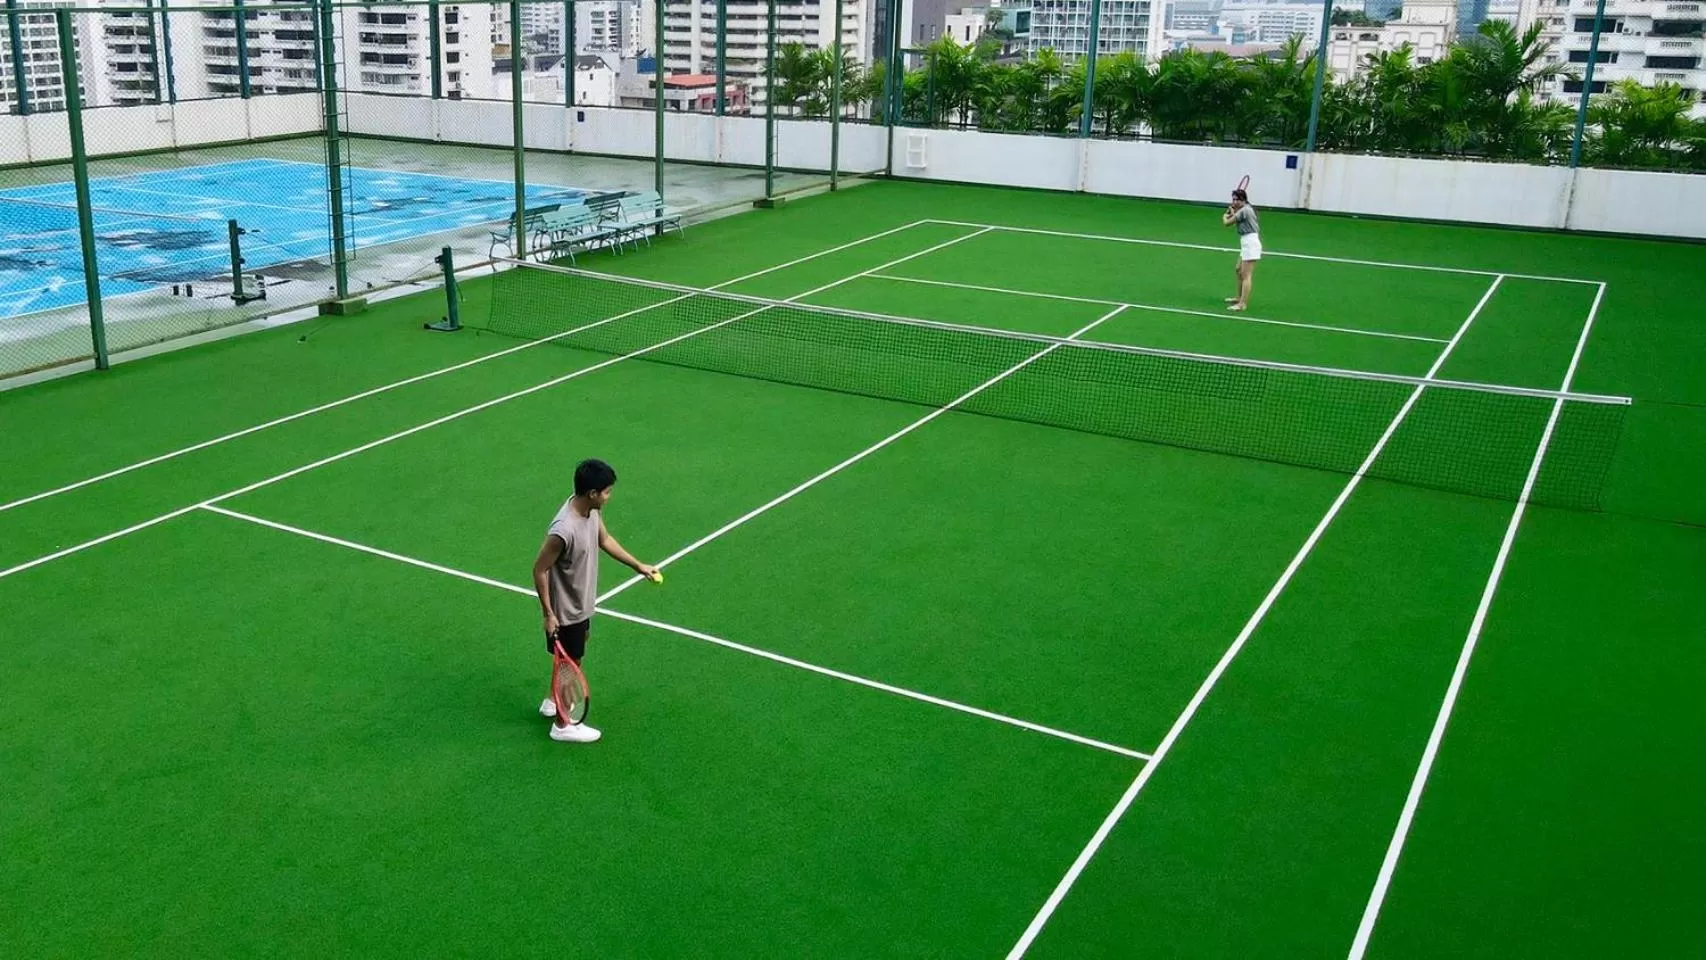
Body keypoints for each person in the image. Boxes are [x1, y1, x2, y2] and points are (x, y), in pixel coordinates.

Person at [530, 458, 658, 743]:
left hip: (582, 602)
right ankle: (563, 726)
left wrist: (638, 566)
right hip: (566, 611)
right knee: (570, 663)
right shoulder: (563, 530)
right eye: (607, 492)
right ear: (592, 493)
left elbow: (605, 539)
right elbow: (539, 569)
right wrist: (548, 614)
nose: (609, 497)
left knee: (572, 655)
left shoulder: (590, 511)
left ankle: (553, 701)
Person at [1222, 188, 1261, 312]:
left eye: (1236, 199)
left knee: (1246, 275)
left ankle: (1242, 304)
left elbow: (1227, 223)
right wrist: (1233, 212)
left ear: (1242, 200)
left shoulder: (1245, 210)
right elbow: (1238, 219)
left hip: (1251, 243)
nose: (1234, 202)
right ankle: (1239, 297)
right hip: (1246, 242)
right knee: (1238, 270)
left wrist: (1225, 215)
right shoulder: (1245, 210)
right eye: (1233, 199)